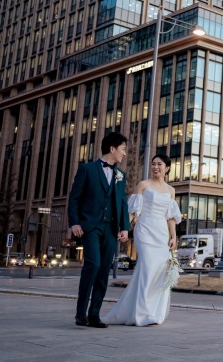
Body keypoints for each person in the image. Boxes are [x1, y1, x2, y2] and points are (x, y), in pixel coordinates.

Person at [104, 154, 181, 326]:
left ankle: (153, 312)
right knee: (147, 267)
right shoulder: (143, 185)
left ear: (167, 168)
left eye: (159, 164)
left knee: (159, 271)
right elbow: (133, 211)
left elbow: (171, 217)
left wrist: (174, 236)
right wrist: (125, 227)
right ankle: (141, 313)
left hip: (161, 232)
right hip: (145, 230)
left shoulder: (171, 190)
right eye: (153, 164)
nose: (155, 167)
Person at [68, 131, 130, 328]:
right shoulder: (87, 169)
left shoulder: (121, 175)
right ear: (112, 149)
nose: (124, 154)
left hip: (111, 229)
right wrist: (75, 222)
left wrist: (125, 228)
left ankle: (94, 314)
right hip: (90, 226)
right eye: (122, 149)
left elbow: (122, 202)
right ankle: (80, 313)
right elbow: (75, 198)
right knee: (93, 265)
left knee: (104, 271)